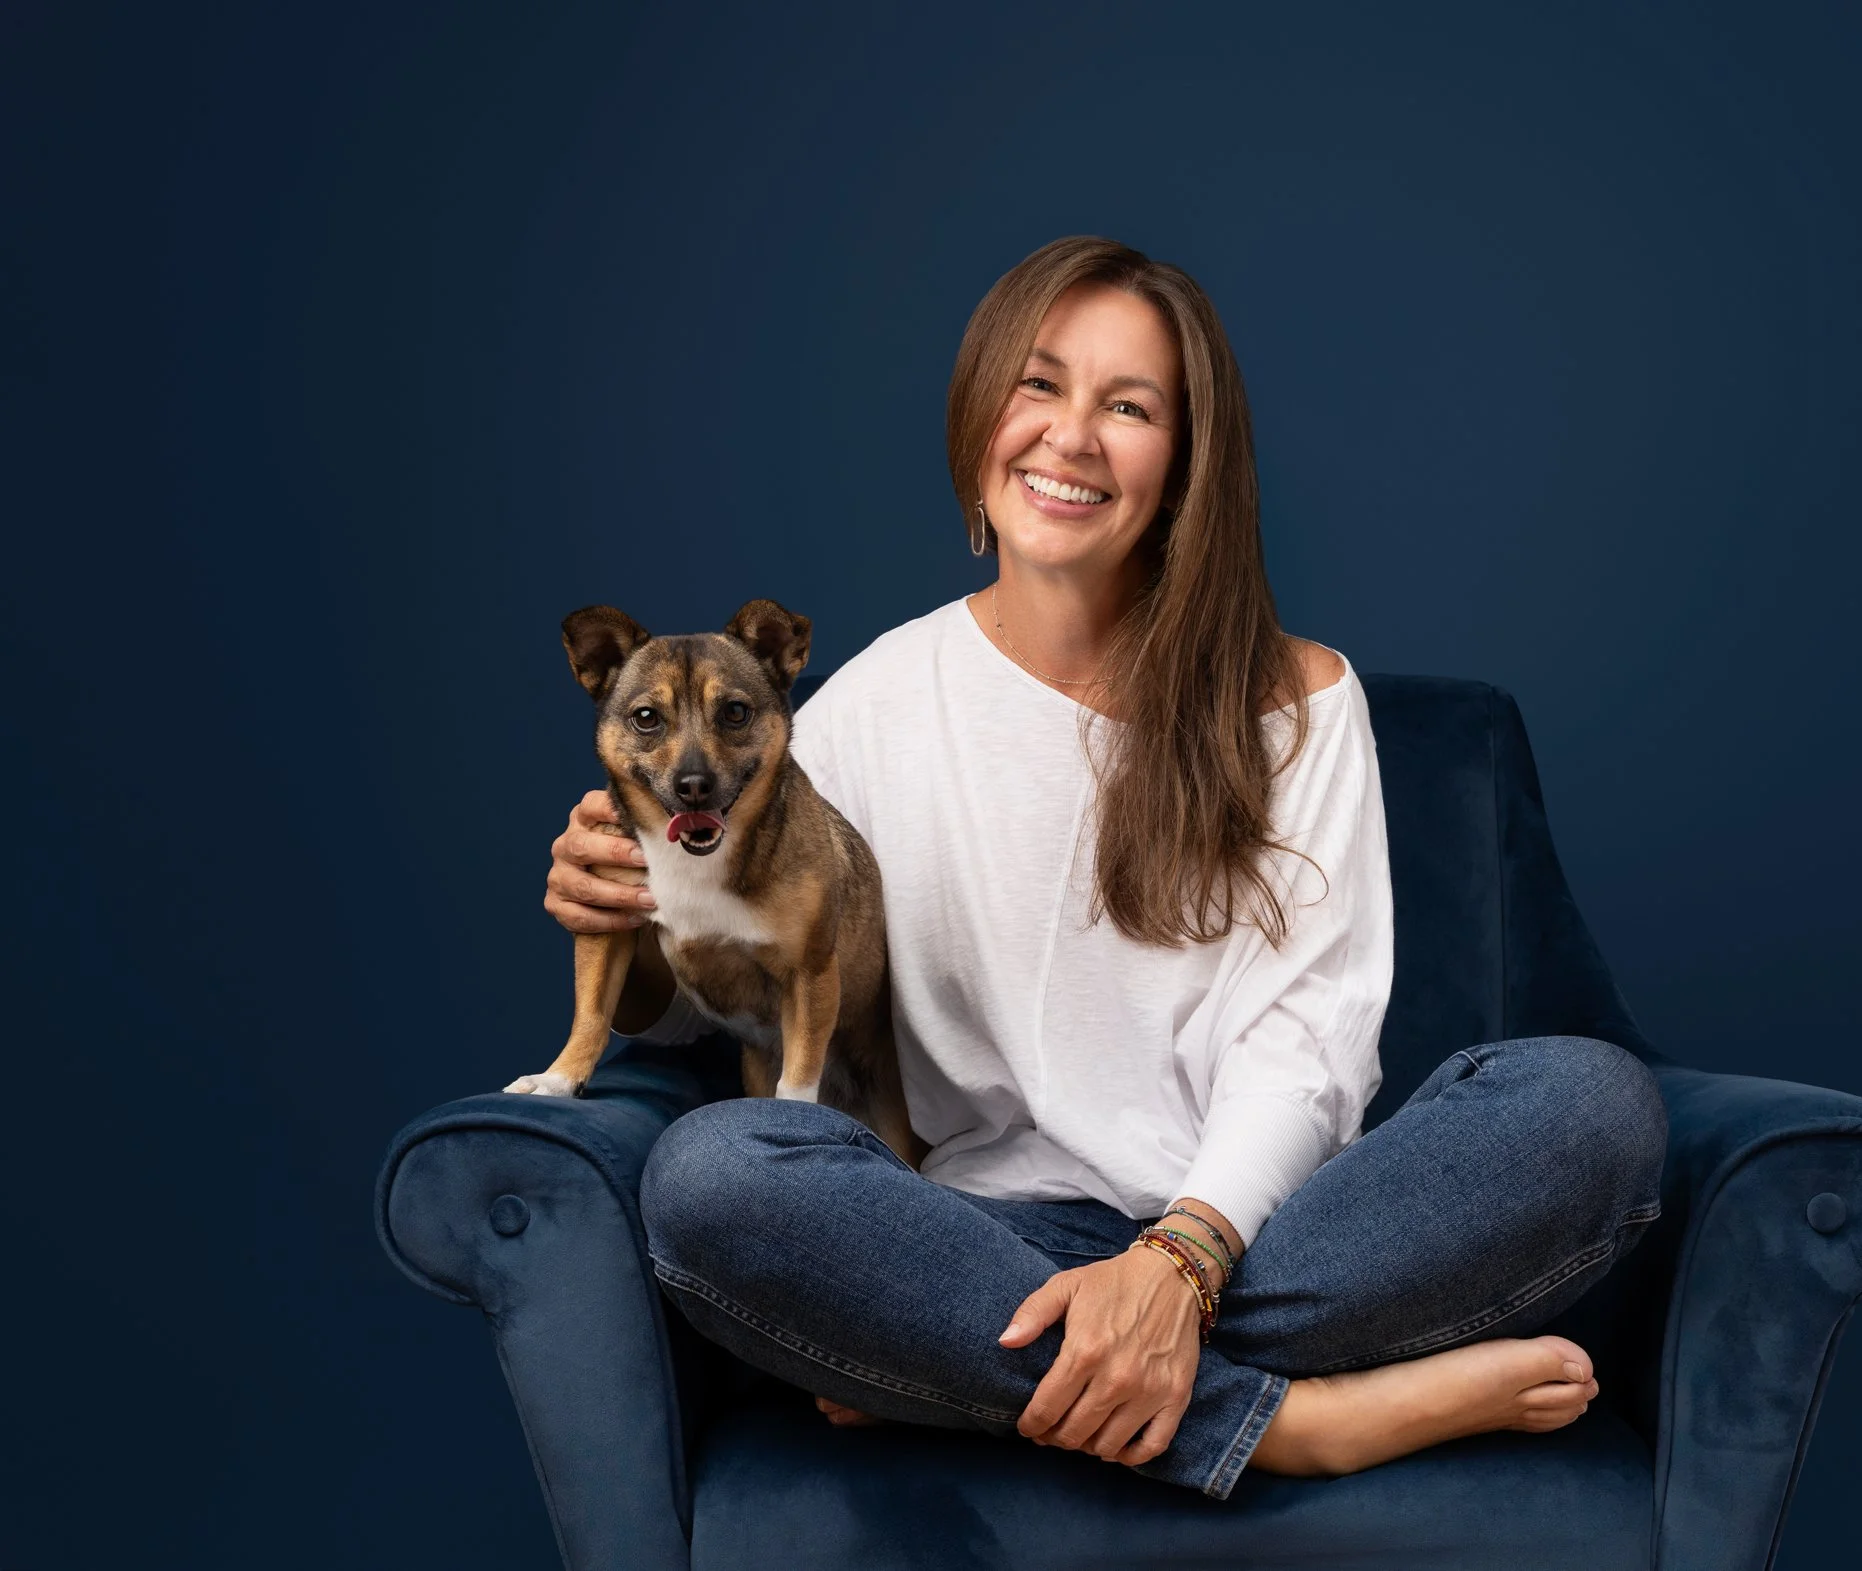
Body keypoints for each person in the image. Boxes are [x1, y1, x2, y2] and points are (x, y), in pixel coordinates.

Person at [541, 236, 1667, 1501]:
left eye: (1127, 407)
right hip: (983, 1229)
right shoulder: (860, 715)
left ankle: (969, 1377)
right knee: (717, 1178)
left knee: (1590, 1107)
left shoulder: (1300, 702)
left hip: (1271, 1228)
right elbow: (719, 995)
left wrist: (1179, 1259)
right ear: (980, 421)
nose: (1071, 437)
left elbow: (1308, 1039)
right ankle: (1296, 1422)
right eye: (1040, 387)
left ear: (1183, 465)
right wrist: (630, 911)